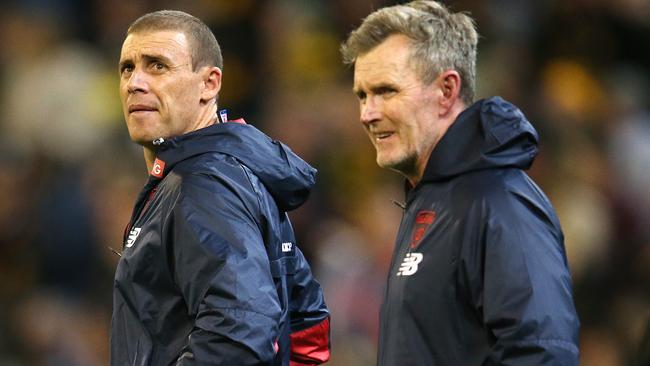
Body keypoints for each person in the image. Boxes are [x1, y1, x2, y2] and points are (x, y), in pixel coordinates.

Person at [341, 1, 579, 365]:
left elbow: (542, 352)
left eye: (386, 91)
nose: (367, 114)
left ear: (447, 90)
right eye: (362, 95)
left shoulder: (500, 204)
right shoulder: (433, 202)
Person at [110, 10, 330, 366]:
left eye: (157, 66)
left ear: (210, 84)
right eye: (127, 67)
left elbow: (239, 333)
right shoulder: (228, 173)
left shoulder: (202, 186)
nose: (135, 82)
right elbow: (308, 327)